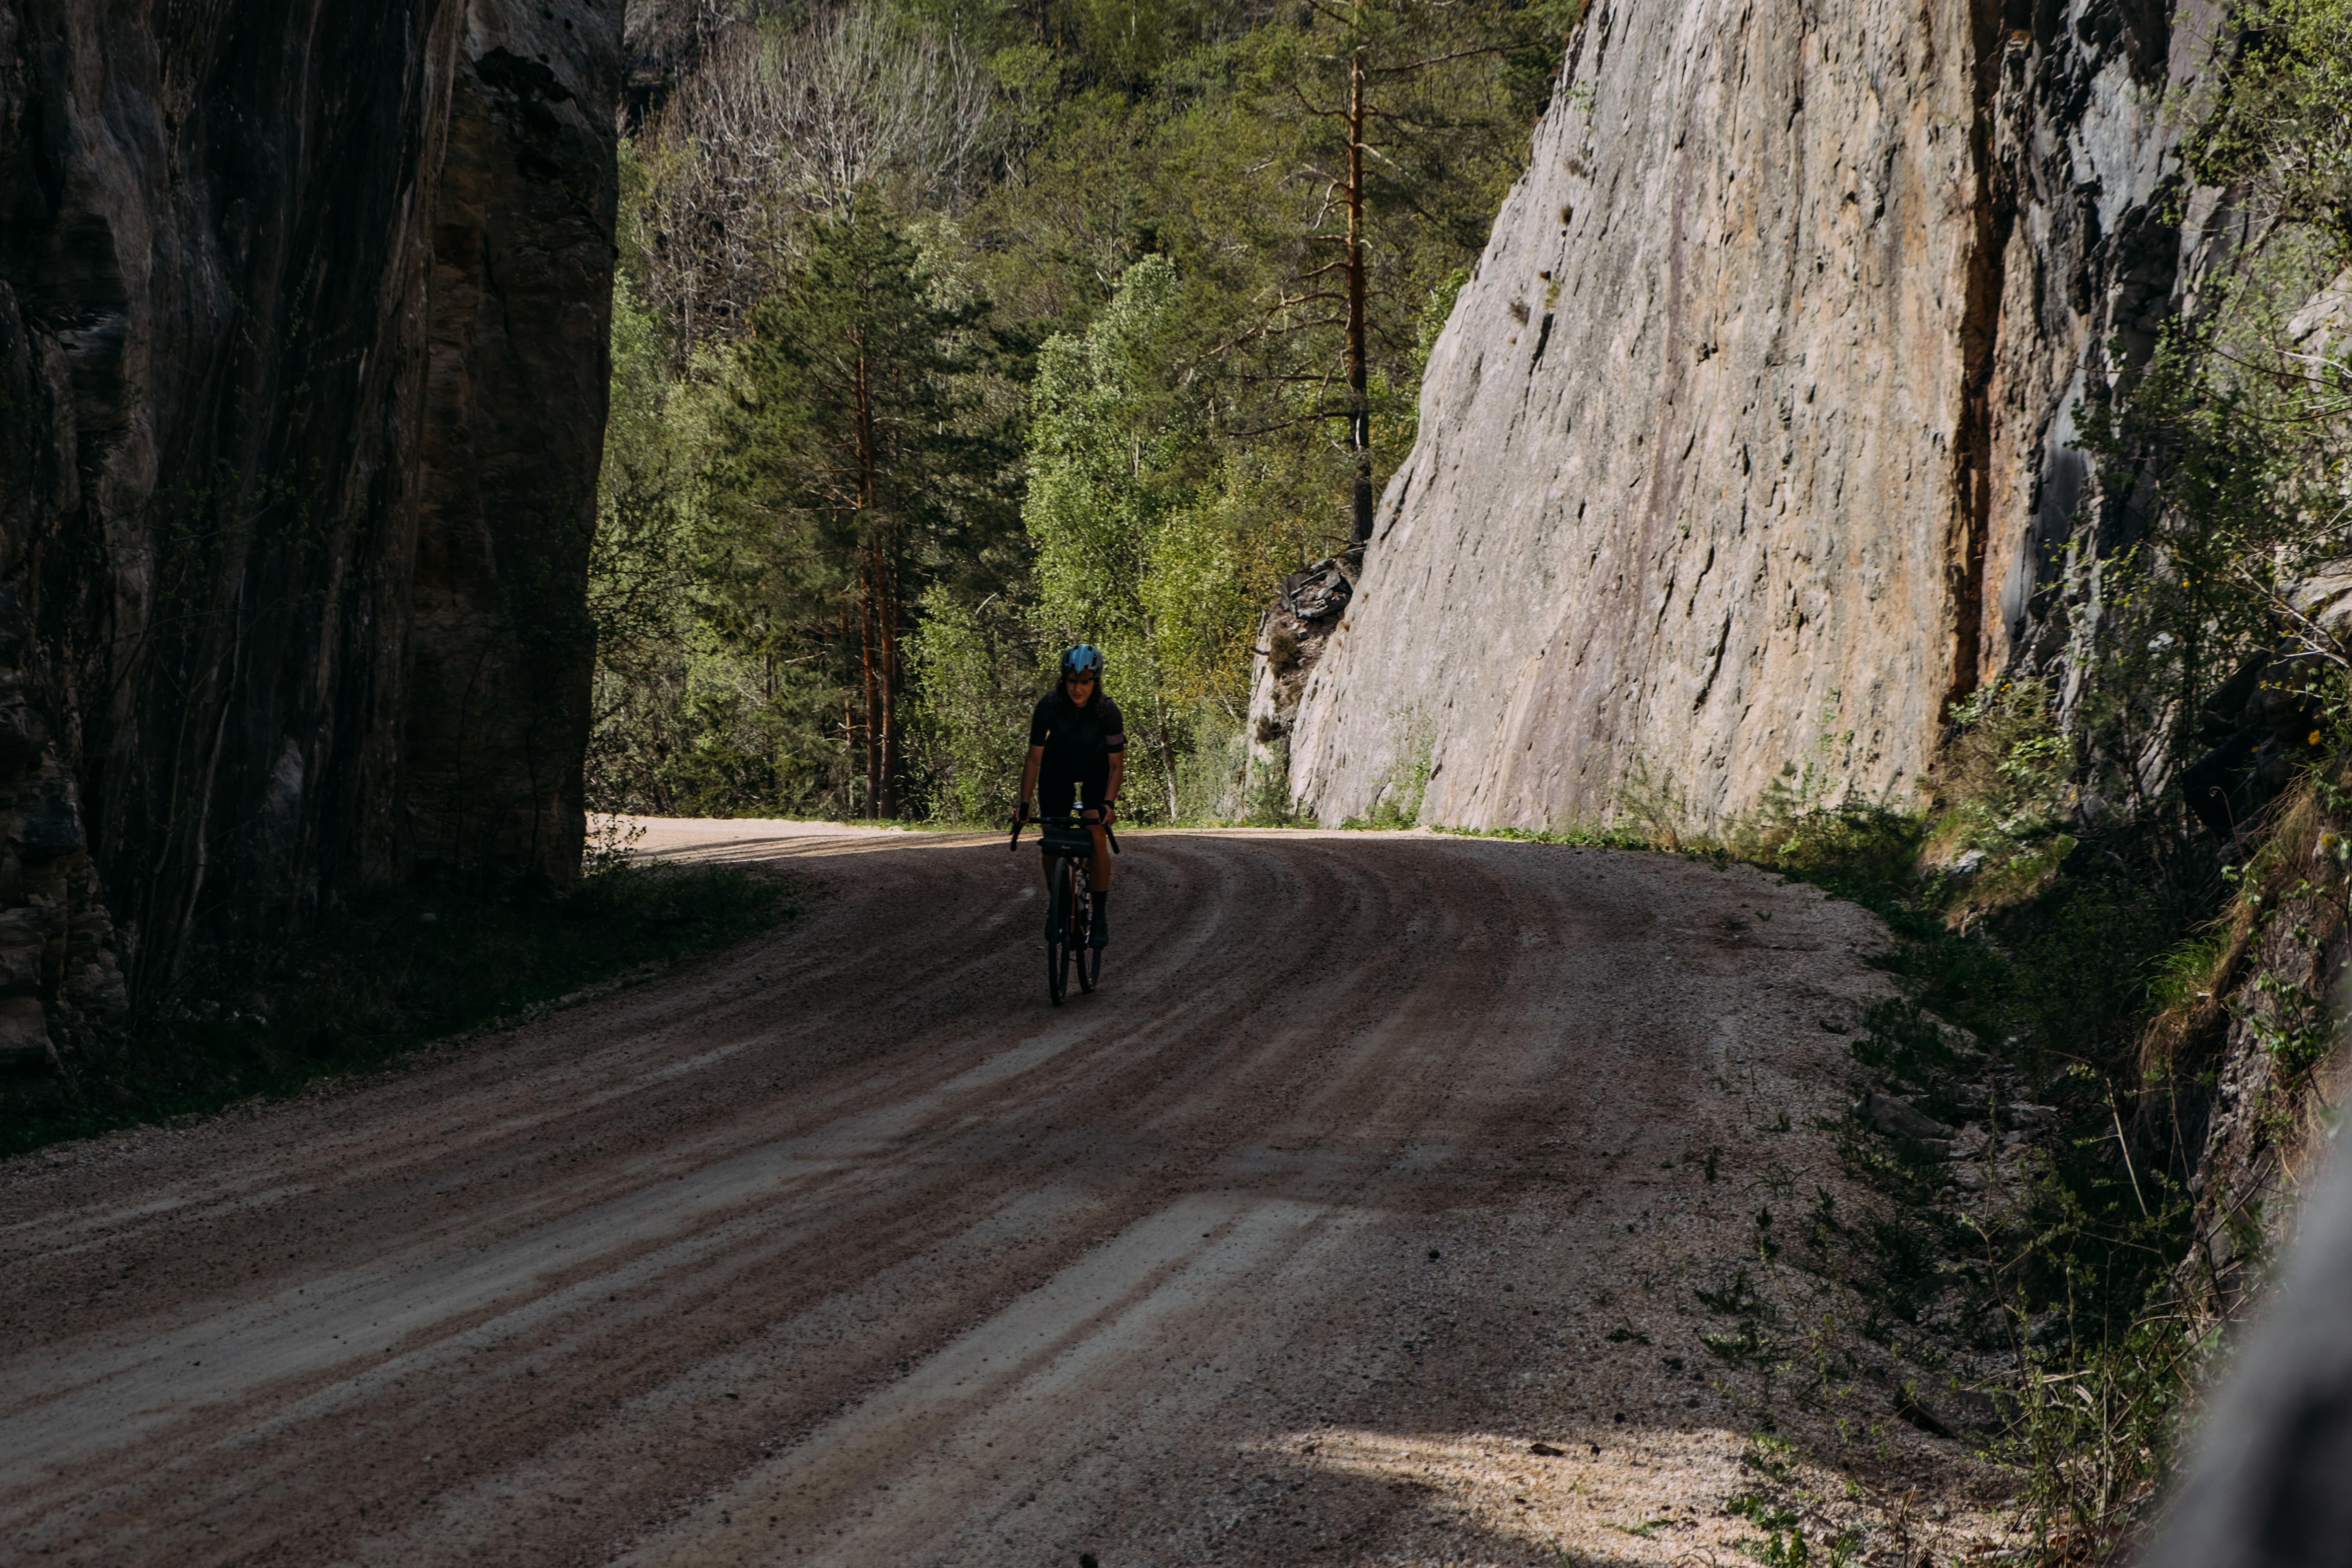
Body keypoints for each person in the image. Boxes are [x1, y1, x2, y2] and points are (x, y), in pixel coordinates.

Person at [1015, 645, 1124, 947]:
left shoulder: (1109, 711)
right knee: (1051, 838)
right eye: (1072, 681)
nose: (1078, 688)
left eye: (1085, 682)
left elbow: (1116, 766)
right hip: (1056, 770)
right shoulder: (1048, 706)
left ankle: (1099, 917)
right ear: (1063, 680)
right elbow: (1034, 758)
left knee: (1095, 831)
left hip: (1096, 771)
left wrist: (1108, 804)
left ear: (1096, 682)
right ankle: (1060, 904)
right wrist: (1024, 804)